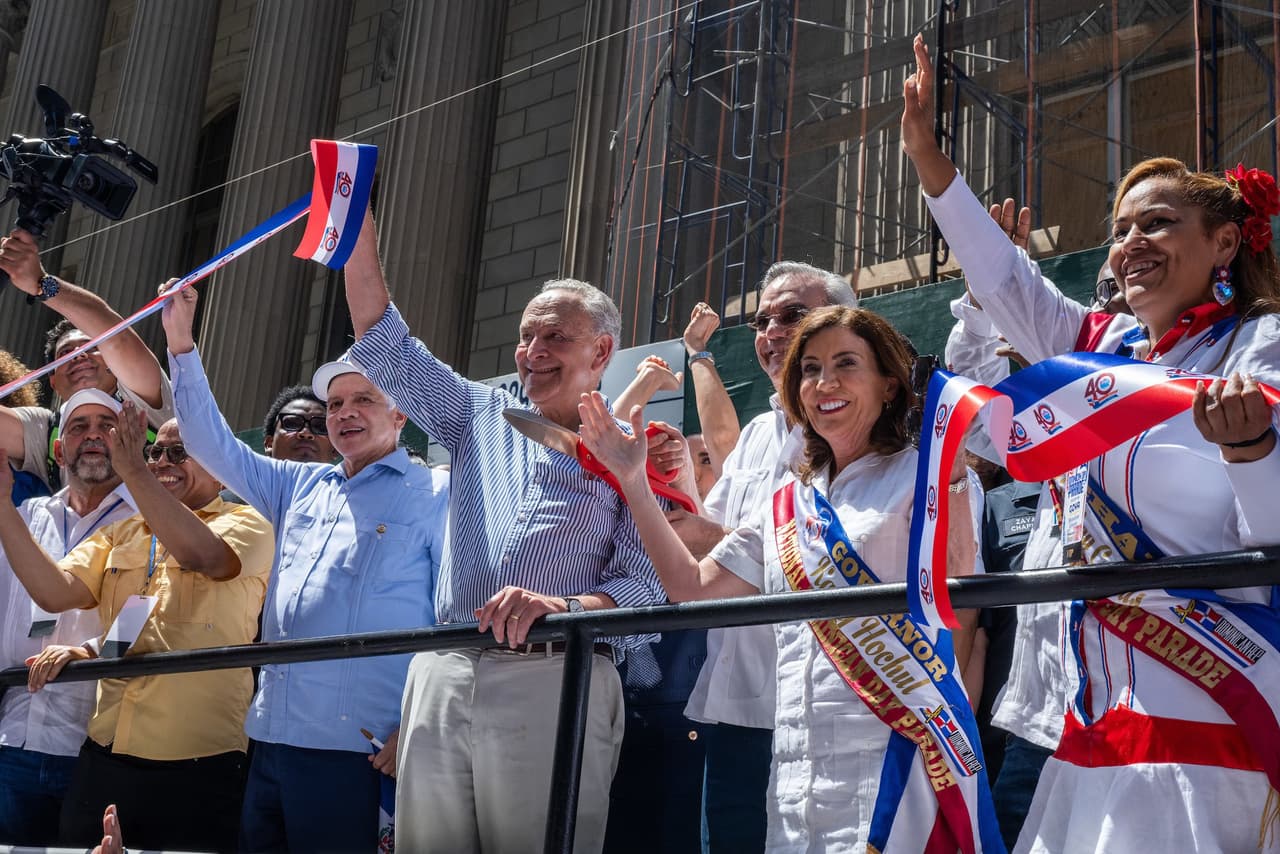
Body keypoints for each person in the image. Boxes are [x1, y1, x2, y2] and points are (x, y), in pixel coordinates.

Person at [903, 34, 1280, 853]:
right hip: (1097, 713)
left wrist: (1252, 452)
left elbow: (1274, 532)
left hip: (1215, 702)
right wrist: (931, 161)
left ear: (1224, 242)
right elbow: (1006, 282)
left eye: (1159, 223)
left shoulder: (1260, 347)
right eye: (1121, 228)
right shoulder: (1099, 351)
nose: (1132, 241)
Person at [581, 305, 990, 851]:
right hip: (796, 762)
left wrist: (952, 470)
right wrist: (632, 479)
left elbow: (957, 591)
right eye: (810, 369)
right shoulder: (787, 501)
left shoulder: (926, 472)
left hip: (897, 756)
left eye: (846, 364)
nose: (825, 383)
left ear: (890, 384)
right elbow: (692, 588)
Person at [342, 205, 666, 852]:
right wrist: (354, 223)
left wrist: (562, 608)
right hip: (445, 666)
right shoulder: (477, 411)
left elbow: (648, 589)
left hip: (558, 673)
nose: (533, 352)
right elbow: (383, 337)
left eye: (555, 337)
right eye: (526, 337)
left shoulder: (638, 447)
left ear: (602, 351)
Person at [161, 284, 447, 853]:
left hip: (364, 750)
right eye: (335, 405)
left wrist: (420, 725)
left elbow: (454, 621)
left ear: (401, 412)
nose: (344, 413)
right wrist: (180, 343)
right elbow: (210, 444)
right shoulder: (300, 484)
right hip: (271, 740)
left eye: (363, 399)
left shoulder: (438, 493)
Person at [0, 409, 273, 852]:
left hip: (197, 759)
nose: (163, 461)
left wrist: (133, 471)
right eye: (155, 452)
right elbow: (53, 593)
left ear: (219, 466)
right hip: (106, 751)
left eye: (179, 452)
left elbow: (203, 556)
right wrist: (2, 505)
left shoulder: (250, 523)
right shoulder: (123, 531)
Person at [669, 265, 858, 853]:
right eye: (761, 320)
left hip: (821, 708)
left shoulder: (859, 435)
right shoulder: (755, 433)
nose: (772, 331)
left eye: (792, 316)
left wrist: (708, 534)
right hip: (734, 705)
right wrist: (663, 492)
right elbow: (711, 536)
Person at [0, 390, 139, 845]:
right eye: (79, 427)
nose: (94, 435)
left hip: (95, 746)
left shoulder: (150, 520)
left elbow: (151, 613)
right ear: (59, 451)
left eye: (106, 426)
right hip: (13, 739)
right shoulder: (22, 515)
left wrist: (90, 652)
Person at [0, 227, 173, 492]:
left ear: (113, 364)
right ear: (53, 381)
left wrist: (41, 283)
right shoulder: (45, 429)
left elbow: (117, 339)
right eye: (65, 353)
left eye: (91, 348)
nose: (79, 355)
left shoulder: (143, 403)